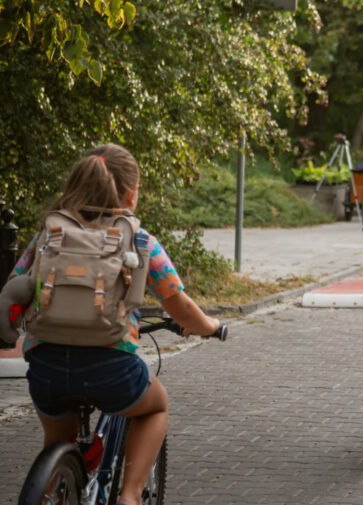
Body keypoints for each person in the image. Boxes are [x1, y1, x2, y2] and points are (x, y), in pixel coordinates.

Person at [12, 143, 220, 505]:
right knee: (156, 406)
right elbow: (180, 305)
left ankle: (54, 488)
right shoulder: (139, 241)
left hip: (46, 366)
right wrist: (209, 326)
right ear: (130, 193)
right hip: (111, 369)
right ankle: (131, 496)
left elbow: (18, 284)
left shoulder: (49, 234)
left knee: (57, 440)